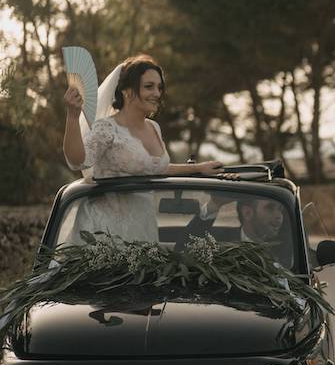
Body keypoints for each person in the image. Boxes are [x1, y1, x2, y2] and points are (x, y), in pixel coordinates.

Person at [62, 54, 222, 242]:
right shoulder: (107, 128)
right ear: (127, 90)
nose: (157, 93)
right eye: (149, 86)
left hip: (142, 226)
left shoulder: (154, 127)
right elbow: (77, 161)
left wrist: (198, 168)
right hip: (104, 232)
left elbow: (156, 169)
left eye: (159, 87)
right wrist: (72, 117)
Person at [176, 195, 294, 269]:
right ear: (247, 213)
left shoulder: (288, 249)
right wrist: (215, 204)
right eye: (270, 208)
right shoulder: (217, 242)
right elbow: (181, 252)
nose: (279, 216)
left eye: (281, 209)